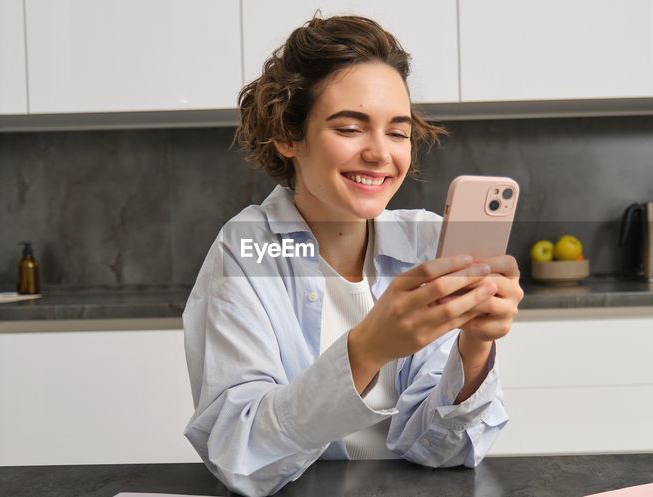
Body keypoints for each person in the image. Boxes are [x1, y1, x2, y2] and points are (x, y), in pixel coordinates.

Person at [182, 15, 523, 497]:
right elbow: (241, 459)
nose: (380, 153)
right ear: (288, 135)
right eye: (349, 128)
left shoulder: (429, 243)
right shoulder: (245, 252)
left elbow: (440, 451)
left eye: (398, 132)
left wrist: (474, 346)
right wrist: (367, 350)